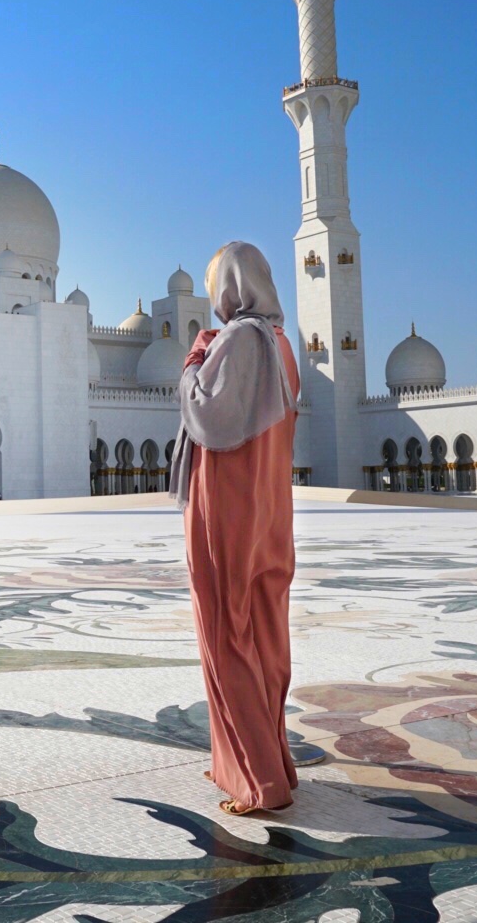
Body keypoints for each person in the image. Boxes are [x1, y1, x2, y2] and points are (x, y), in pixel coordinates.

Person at [171, 241, 301, 816]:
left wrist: (193, 361)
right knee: (264, 633)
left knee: (227, 628)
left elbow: (205, 412)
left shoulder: (240, 340)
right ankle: (265, 762)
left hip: (227, 503)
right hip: (268, 506)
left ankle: (258, 780)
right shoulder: (280, 344)